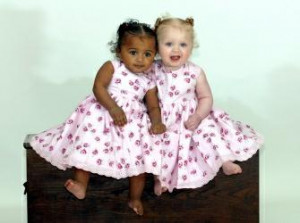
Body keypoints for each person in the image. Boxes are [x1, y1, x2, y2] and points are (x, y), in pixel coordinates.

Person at [30, 19, 166, 215]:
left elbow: (153, 106)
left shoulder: (149, 79)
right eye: (133, 52)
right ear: (120, 51)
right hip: (104, 116)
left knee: (141, 160)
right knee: (88, 145)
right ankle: (80, 183)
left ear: (154, 56)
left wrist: (157, 122)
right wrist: (113, 108)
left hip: (132, 123)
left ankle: (134, 198)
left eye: (147, 54)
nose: (140, 59)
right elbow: (98, 87)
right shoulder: (113, 66)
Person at [152, 17, 264, 195]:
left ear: (191, 47)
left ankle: (224, 161)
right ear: (157, 47)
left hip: (192, 115)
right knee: (159, 144)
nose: (176, 49)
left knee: (209, 132)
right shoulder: (152, 69)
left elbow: (205, 97)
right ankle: (161, 179)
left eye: (183, 44)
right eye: (168, 44)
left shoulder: (195, 71)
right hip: (163, 119)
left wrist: (198, 116)